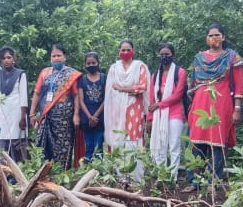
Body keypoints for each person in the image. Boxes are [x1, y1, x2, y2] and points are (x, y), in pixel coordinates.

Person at [186, 24, 243, 190]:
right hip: (200, 103)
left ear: (223, 37)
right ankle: (194, 182)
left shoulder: (233, 57)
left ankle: (214, 180)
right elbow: (192, 84)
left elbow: (239, 85)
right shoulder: (199, 58)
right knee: (196, 142)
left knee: (218, 142)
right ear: (206, 38)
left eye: (217, 35)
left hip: (222, 102)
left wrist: (237, 108)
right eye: (211, 35)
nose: (214, 38)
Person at [30, 44, 81, 169]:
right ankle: (43, 174)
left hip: (64, 120)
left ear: (64, 57)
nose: (56, 58)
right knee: (43, 145)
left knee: (63, 146)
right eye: (54, 56)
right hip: (46, 115)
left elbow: (76, 96)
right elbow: (37, 93)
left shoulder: (71, 74)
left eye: (59, 55)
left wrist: (76, 114)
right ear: (50, 58)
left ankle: (61, 175)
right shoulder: (44, 73)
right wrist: (32, 114)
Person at [104, 39, 150, 178]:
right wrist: (130, 90)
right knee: (118, 139)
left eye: (128, 49)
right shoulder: (114, 68)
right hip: (116, 110)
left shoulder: (140, 66)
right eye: (122, 50)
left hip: (134, 108)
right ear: (119, 52)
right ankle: (121, 176)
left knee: (133, 140)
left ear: (133, 51)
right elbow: (111, 89)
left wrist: (122, 88)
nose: (125, 52)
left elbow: (142, 87)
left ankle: (136, 177)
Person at [147, 43, 187, 180]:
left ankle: (172, 177)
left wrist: (159, 105)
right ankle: (161, 176)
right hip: (159, 116)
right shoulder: (155, 76)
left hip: (175, 114)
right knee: (160, 146)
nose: (164, 57)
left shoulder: (180, 72)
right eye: (162, 54)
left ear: (173, 55)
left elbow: (177, 95)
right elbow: (152, 98)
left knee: (174, 147)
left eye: (167, 54)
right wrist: (150, 119)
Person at [0, 46, 29, 163]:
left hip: (16, 113)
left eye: (9, 57)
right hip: (1, 113)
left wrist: (23, 118)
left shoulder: (21, 74)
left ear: (14, 59)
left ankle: (17, 174)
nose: (6, 60)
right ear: (1, 60)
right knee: (1, 140)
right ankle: (3, 173)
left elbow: (23, 98)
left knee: (17, 140)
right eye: (4, 58)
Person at [77, 51, 106, 162]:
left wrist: (95, 116)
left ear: (98, 63)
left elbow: (106, 99)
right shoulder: (82, 79)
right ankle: (88, 171)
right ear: (85, 65)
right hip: (86, 118)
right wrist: (90, 117)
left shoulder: (104, 77)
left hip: (100, 117)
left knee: (98, 144)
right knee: (88, 144)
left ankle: (98, 172)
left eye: (93, 62)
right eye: (88, 63)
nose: (91, 65)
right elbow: (81, 100)